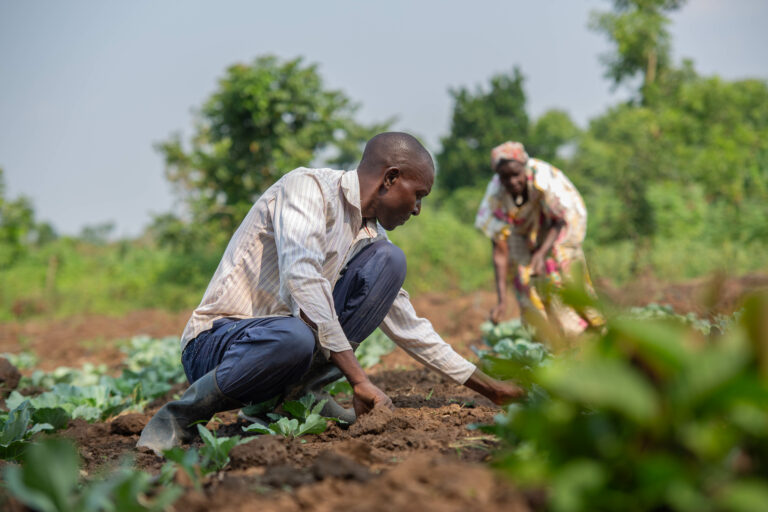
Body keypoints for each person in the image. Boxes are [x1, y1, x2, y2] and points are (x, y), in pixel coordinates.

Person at [138, 132, 524, 456]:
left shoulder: (370, 237)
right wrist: (358, 380)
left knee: (389, 262)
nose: (418, 209)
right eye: (418, 194)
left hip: (284, 350)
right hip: (217, 345)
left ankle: (290, 397)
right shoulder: (306, 189)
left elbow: (409, 326)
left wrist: (491, 389)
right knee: (295, 335)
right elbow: (302, 277)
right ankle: (178, 418)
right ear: (390, 178)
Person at [475, 141, 603, 337]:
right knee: (523, 277)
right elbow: (500, 251)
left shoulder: (543, 179)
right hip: (523, 226)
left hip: (559, 223)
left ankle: (591, 329)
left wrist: (542, 253)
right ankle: (548, 337)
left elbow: (559, 220)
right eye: (505, 177)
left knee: (561, 272)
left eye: (515, 174)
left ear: (524, 168)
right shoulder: (496, 195)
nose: (511, 182)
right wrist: (502, 300)